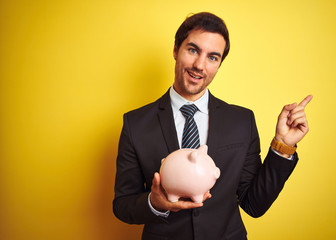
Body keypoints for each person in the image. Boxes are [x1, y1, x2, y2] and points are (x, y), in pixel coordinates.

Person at [113, 12, 312, 240]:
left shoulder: (241, 121)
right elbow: (122, 205)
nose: (199, 65)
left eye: (212, 57)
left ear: (219, 64)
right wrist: (154, 203)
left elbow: (254, 205)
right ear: (176, 49)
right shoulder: (135, 123)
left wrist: (282, 147)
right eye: (193, 50)